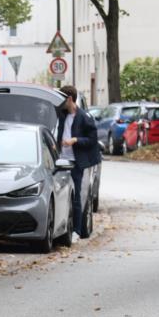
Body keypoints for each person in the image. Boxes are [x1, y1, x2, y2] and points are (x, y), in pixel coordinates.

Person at [54, 85, 101, 242]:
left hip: (75, 162)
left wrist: (75, 140)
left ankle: (77, 230)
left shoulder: (84, 117)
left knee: (76, 197)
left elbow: (92, 140)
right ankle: (61, 228)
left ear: (69, 99)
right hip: (60, 161)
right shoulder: (61, 115)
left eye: (62, 99)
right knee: (60, 196)